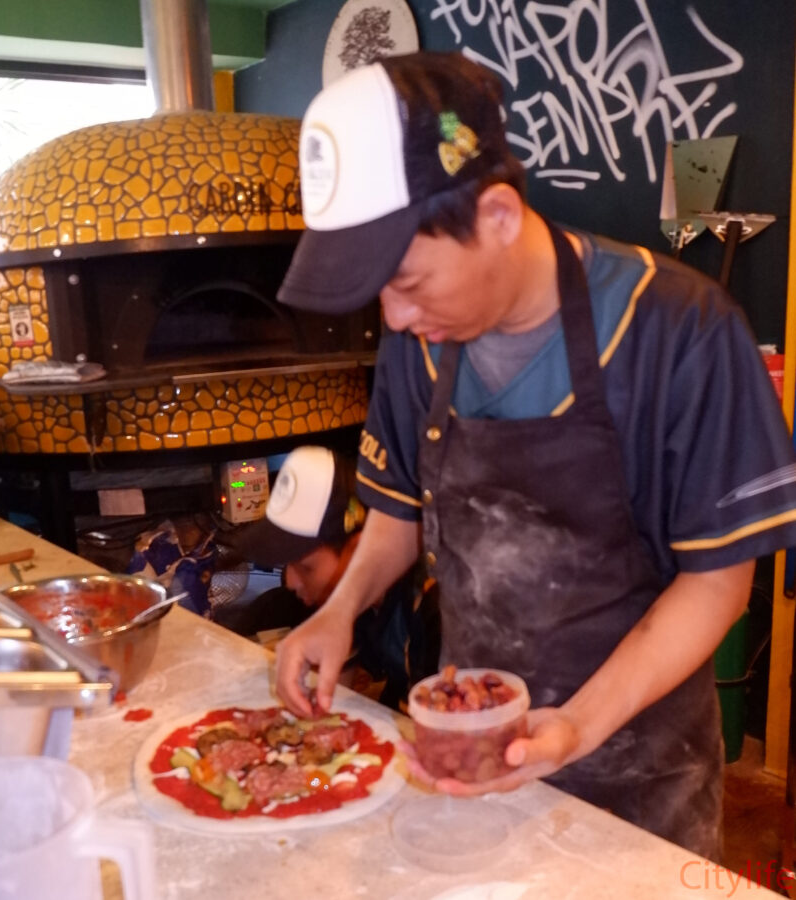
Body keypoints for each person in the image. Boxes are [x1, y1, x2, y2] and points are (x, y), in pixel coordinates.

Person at [271, 51, 796, 860]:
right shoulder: (420, 338)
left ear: (499, 217)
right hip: (471, 753)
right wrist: (338, 611)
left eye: (408, 280)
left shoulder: (681, 332)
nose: (395, 317)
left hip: (643, 785)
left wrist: (577, 726)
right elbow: (400, 510)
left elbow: (719, 584)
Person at [216, 445, 439, 711]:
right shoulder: (340, 601)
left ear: (357, 550)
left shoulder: (431, 607)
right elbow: (334, 691)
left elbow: (438, 723)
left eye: (306, 567)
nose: (291, 581)